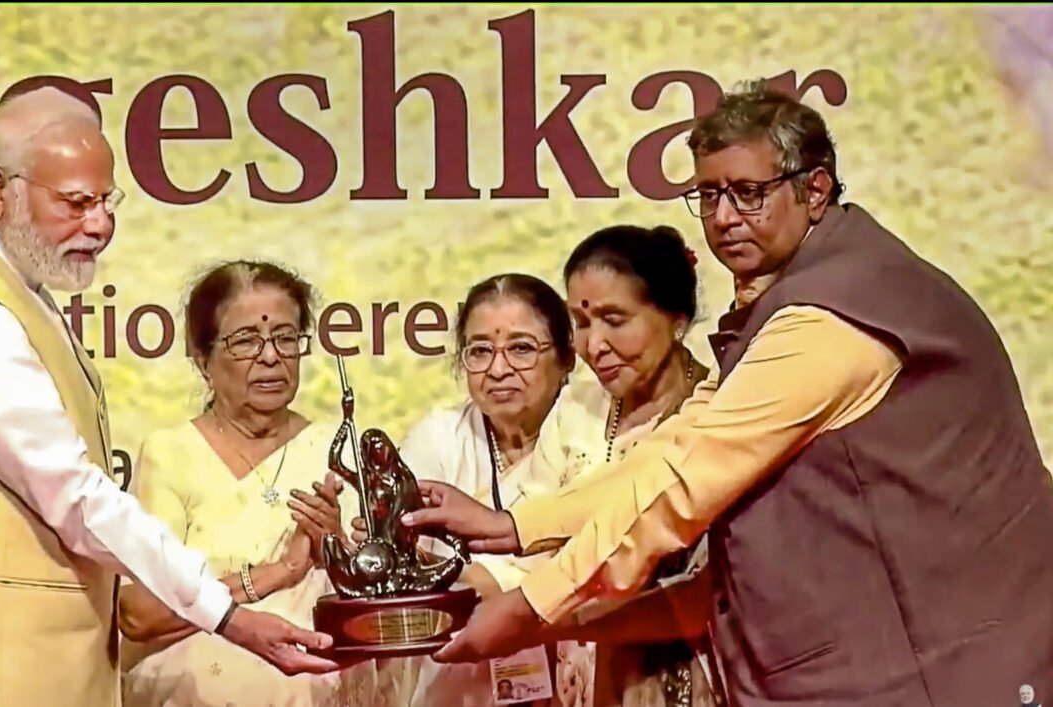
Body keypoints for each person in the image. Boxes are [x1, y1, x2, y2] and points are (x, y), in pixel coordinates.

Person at [403, 79, 1053, 705]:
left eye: (748, 193)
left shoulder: (832, 317)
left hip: (941, 669)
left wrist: (531, 607)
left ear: (815, 189)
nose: (724, 218)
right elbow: (676, 452)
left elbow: (685, 487)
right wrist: (516, 527)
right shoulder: (794, 304)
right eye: (709, 195)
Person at [0, 88, 339, 707]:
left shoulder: (19, 289)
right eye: (75, 203)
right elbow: (72, 493)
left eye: (105, 201)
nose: (99, 225)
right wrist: (226, 611)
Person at [119, 260, 379, 707]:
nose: (271, 357)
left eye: (285, 338)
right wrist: (279, 573)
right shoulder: (170, 454)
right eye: (246, 341)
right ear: (203, 362)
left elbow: (380, 617)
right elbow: (138, 615)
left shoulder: (339, 452)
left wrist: (338, 551)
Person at [388, 273, 587, 706]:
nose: (498, 369)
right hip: (458, 685)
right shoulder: (439, 437)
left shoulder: (593, 434)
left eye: (521, 348)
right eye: (480, 351)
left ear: (567, 357)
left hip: (580, 672)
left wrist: (483, 584)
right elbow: (402, 567)